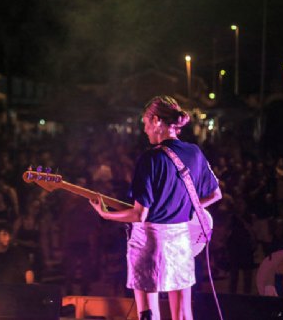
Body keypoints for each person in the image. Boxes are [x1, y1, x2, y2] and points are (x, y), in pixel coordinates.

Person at [90, 96, 222, 320]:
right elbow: (215, 194)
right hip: (181, 241)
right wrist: (184, 208)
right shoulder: (195, 153)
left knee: (149, 314)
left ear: (157, 121)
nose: (144, 129)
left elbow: (139, 214)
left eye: (145, 123)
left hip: (151, 242)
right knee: (182, 314)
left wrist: (106, 215)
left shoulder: (150, 159)